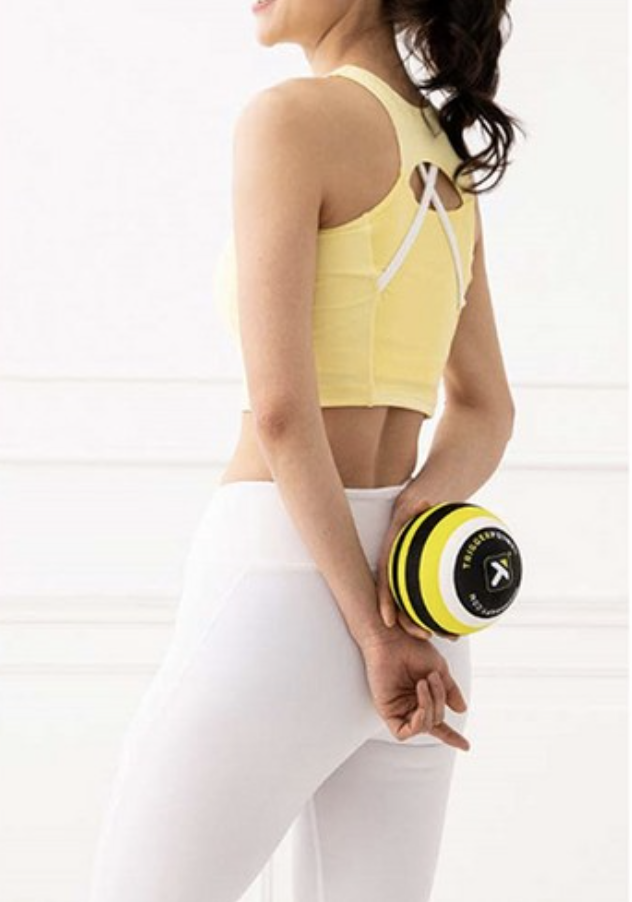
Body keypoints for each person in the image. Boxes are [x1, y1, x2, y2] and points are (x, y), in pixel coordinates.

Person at [88, 2, 522, 900]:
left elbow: (284, 411)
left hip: (284, 587)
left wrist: (368, 630)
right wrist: (412, 519)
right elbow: (486, 408)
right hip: (422, 607)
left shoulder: (291, 119)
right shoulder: (448, 161)